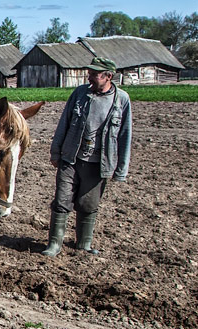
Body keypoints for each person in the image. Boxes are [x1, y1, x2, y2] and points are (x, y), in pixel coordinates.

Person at [40, 56, 132, 257]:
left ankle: (84, 244)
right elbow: (64, 123)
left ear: (108, 76)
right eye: (89, 73)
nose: (90, 77)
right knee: (61, 200)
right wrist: (56, 151)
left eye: (95, 74)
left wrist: (121, 169)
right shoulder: (80, 94)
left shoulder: (121, 100)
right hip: (71, 158)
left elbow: (125, 135)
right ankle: (54, 245)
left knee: (88, 204)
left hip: (98, 163)